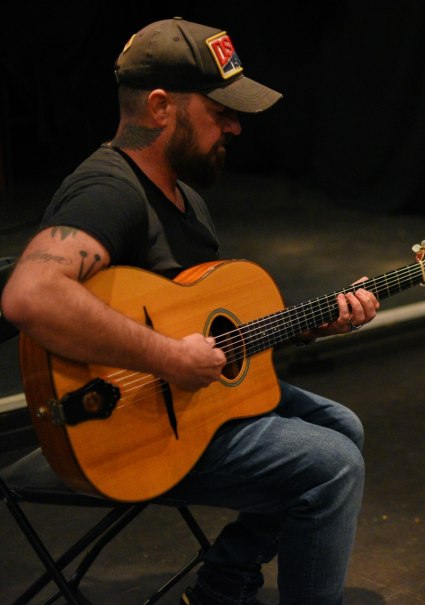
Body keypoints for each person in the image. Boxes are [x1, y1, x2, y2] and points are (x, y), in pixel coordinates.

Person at [0, 17, 379, 605]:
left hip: (186, 410)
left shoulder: (187, 199)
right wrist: (169, 357)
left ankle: (221, 587)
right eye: (220, 111)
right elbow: (31, 295)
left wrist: (308, 326)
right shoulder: (109, 191)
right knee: (331, 464)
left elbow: (209, 333)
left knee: (342, 427)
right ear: (160, 107)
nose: (235, 126)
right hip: (120, 432)